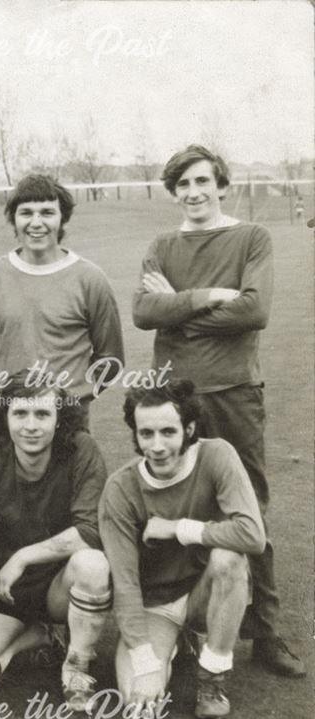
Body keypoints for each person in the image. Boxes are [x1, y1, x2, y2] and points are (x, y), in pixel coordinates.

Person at [132, 144, 304, 678]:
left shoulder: (252, 236)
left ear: (221, 184)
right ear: (174, 192)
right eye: (183, 185)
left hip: (234, 391)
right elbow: (141, 311)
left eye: (203, 181)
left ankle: (266, 634)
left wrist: (177, 311)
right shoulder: (163, 245)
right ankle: (180, 622)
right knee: (170, 502)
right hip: (174, 397)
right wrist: (206, 295)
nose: (194, 192)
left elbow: (255, 310)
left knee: (248, 508)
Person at [99, 380, 266, 719]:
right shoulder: (120, 488)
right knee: (138, 701)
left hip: (202, 595)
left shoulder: (217, 455)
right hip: (154, 606)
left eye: (168, 432)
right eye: (146, 434)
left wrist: (178, 529)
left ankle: (212, 678)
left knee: (230, 557)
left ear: (189, 429)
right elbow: (125, 581)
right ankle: (174, 644)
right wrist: (145, 663)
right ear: (136, 434)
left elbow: (252, 535)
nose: (157, 446)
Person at [0, 374, 111, 712]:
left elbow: (91, 531)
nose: (30, 426)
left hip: (61, 589)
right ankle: (38, 637)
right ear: (4, 417)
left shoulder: (81, 449)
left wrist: (23, 556)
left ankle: (76, 667)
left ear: (59, 418)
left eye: (42, 414)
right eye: (20, 414)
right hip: (8, 592)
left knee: (93, 564)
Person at [0, 174, 124, 419]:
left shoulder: (90, 279)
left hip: (70, 417)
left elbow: (110, 358)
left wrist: (75, 396)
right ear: (13, 218)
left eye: (46, 212)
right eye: (26, 213)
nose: (36, 222)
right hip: (8, 414)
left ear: (62, 218)